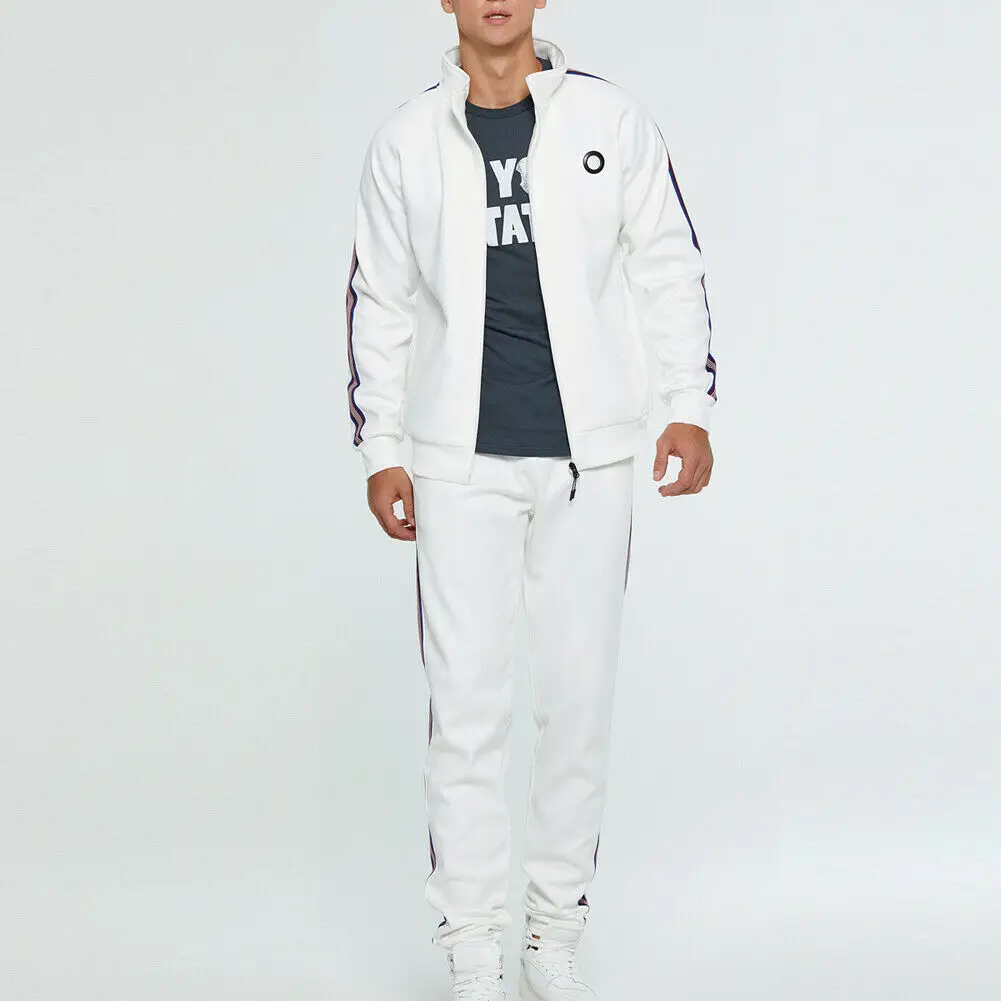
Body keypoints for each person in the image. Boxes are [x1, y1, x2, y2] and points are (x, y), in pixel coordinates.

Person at [345, 2, 717, 998]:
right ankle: (473, 947)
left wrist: (686, 407)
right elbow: (379, 298)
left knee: (576, 700)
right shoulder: (406, 141)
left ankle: (552, 935)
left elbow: (667, 262)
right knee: (465, 710)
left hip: (587, 459)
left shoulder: (609, 122)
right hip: (454, 461)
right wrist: (383, 445)